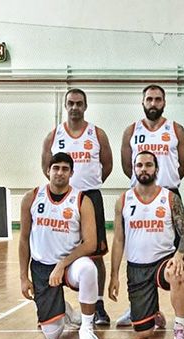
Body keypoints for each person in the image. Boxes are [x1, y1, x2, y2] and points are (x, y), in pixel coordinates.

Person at [118, 84, 184, 328]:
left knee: (178, 253)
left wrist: (166, 183)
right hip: (139, 194)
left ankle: (183, 309)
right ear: (142, 102)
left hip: (168, 193)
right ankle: (139, 305)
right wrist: (144, 183)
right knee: (138, 251)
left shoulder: (176, 129)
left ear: (164, 102)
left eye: (158, 99)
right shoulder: (131, 131)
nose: (153, 103)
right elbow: (126, 165)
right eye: (149, 99)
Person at [108, 151, 184, 339]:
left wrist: (179, 256)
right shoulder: (123, 200)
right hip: (137, 267)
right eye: (139, 165)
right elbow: (118, 240)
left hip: (164, 261)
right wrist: (114, 276)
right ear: (133, 169)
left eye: (148, 165)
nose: (144, 169)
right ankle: (153, 313)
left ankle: (180, 329)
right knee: (143, 334)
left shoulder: (170, 198)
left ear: (156, 169)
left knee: (177, 272)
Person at [41, 88, 113, 325]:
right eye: (71, 103)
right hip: (63, 200)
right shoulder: (54, 135)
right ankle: (57, 303)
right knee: (57, 250)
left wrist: (89, 184)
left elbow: (107, 164)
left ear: (85, 106)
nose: (75, 107)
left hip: (90, 196)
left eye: (79, 103)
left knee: (96, 254)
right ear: (65, 106)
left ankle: (98, 304)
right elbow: (46, 166)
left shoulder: (97, 134)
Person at [19, 152, 100, 339]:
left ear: (71, 173)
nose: (60, 173)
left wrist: (62, 264)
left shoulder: (81, 200)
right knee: (52, 333)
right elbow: (23, 239)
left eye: (65, 169)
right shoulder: (31, 197)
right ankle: (67, 311)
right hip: (42, 266)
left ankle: (87, 328)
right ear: (48, 171)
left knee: (89, 269)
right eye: (56, 168)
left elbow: (90, 244)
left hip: (70, 264)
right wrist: (23, 277)